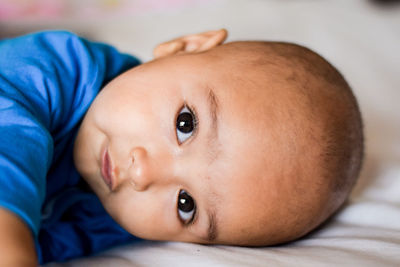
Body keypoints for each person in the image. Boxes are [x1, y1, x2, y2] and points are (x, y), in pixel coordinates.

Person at [0, 29, 364, 266]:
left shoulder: (114, 223)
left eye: (186, 205)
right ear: (184, 48)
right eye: (185, 124)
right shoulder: (60, 66)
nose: (142, 174)